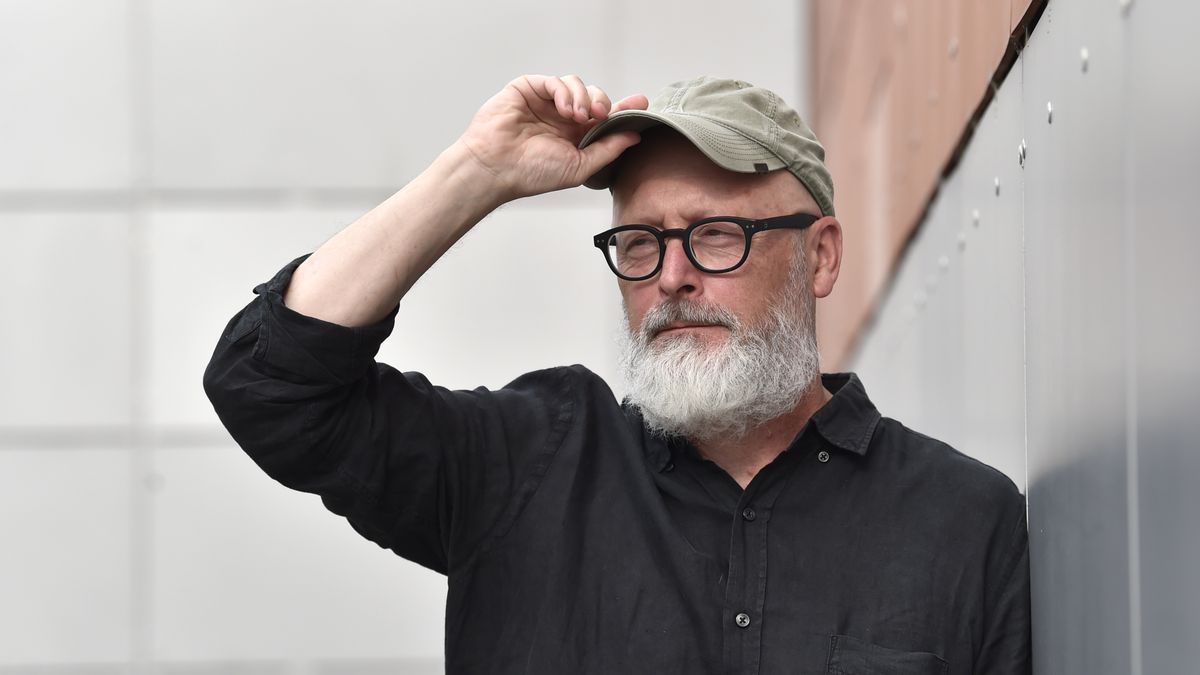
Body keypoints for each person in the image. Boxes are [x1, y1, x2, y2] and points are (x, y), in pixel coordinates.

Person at [204, 74, 1031, 674]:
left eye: (715, 236)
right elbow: (270, 386)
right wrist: (477, 174)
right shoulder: (528, 463)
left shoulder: (962, 519)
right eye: (640, 244)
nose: (671, 278)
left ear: (819, 255)